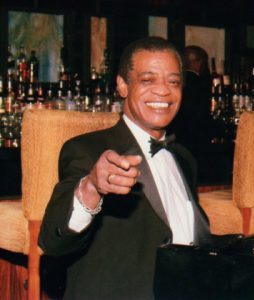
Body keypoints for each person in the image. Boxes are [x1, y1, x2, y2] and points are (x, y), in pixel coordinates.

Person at [38, 36, 211, 300]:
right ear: (122, 86)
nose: (164, 91)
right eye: (148, 80)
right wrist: (91, 187)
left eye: (173, 82)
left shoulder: (184, 158)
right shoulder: (87, 150)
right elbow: (54, 241)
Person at [168, 45, 214, 182]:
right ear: (199, 62)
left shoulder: (175, 83)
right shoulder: (202, 84)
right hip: (198, 145)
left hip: (175, 142)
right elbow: (203, 117)